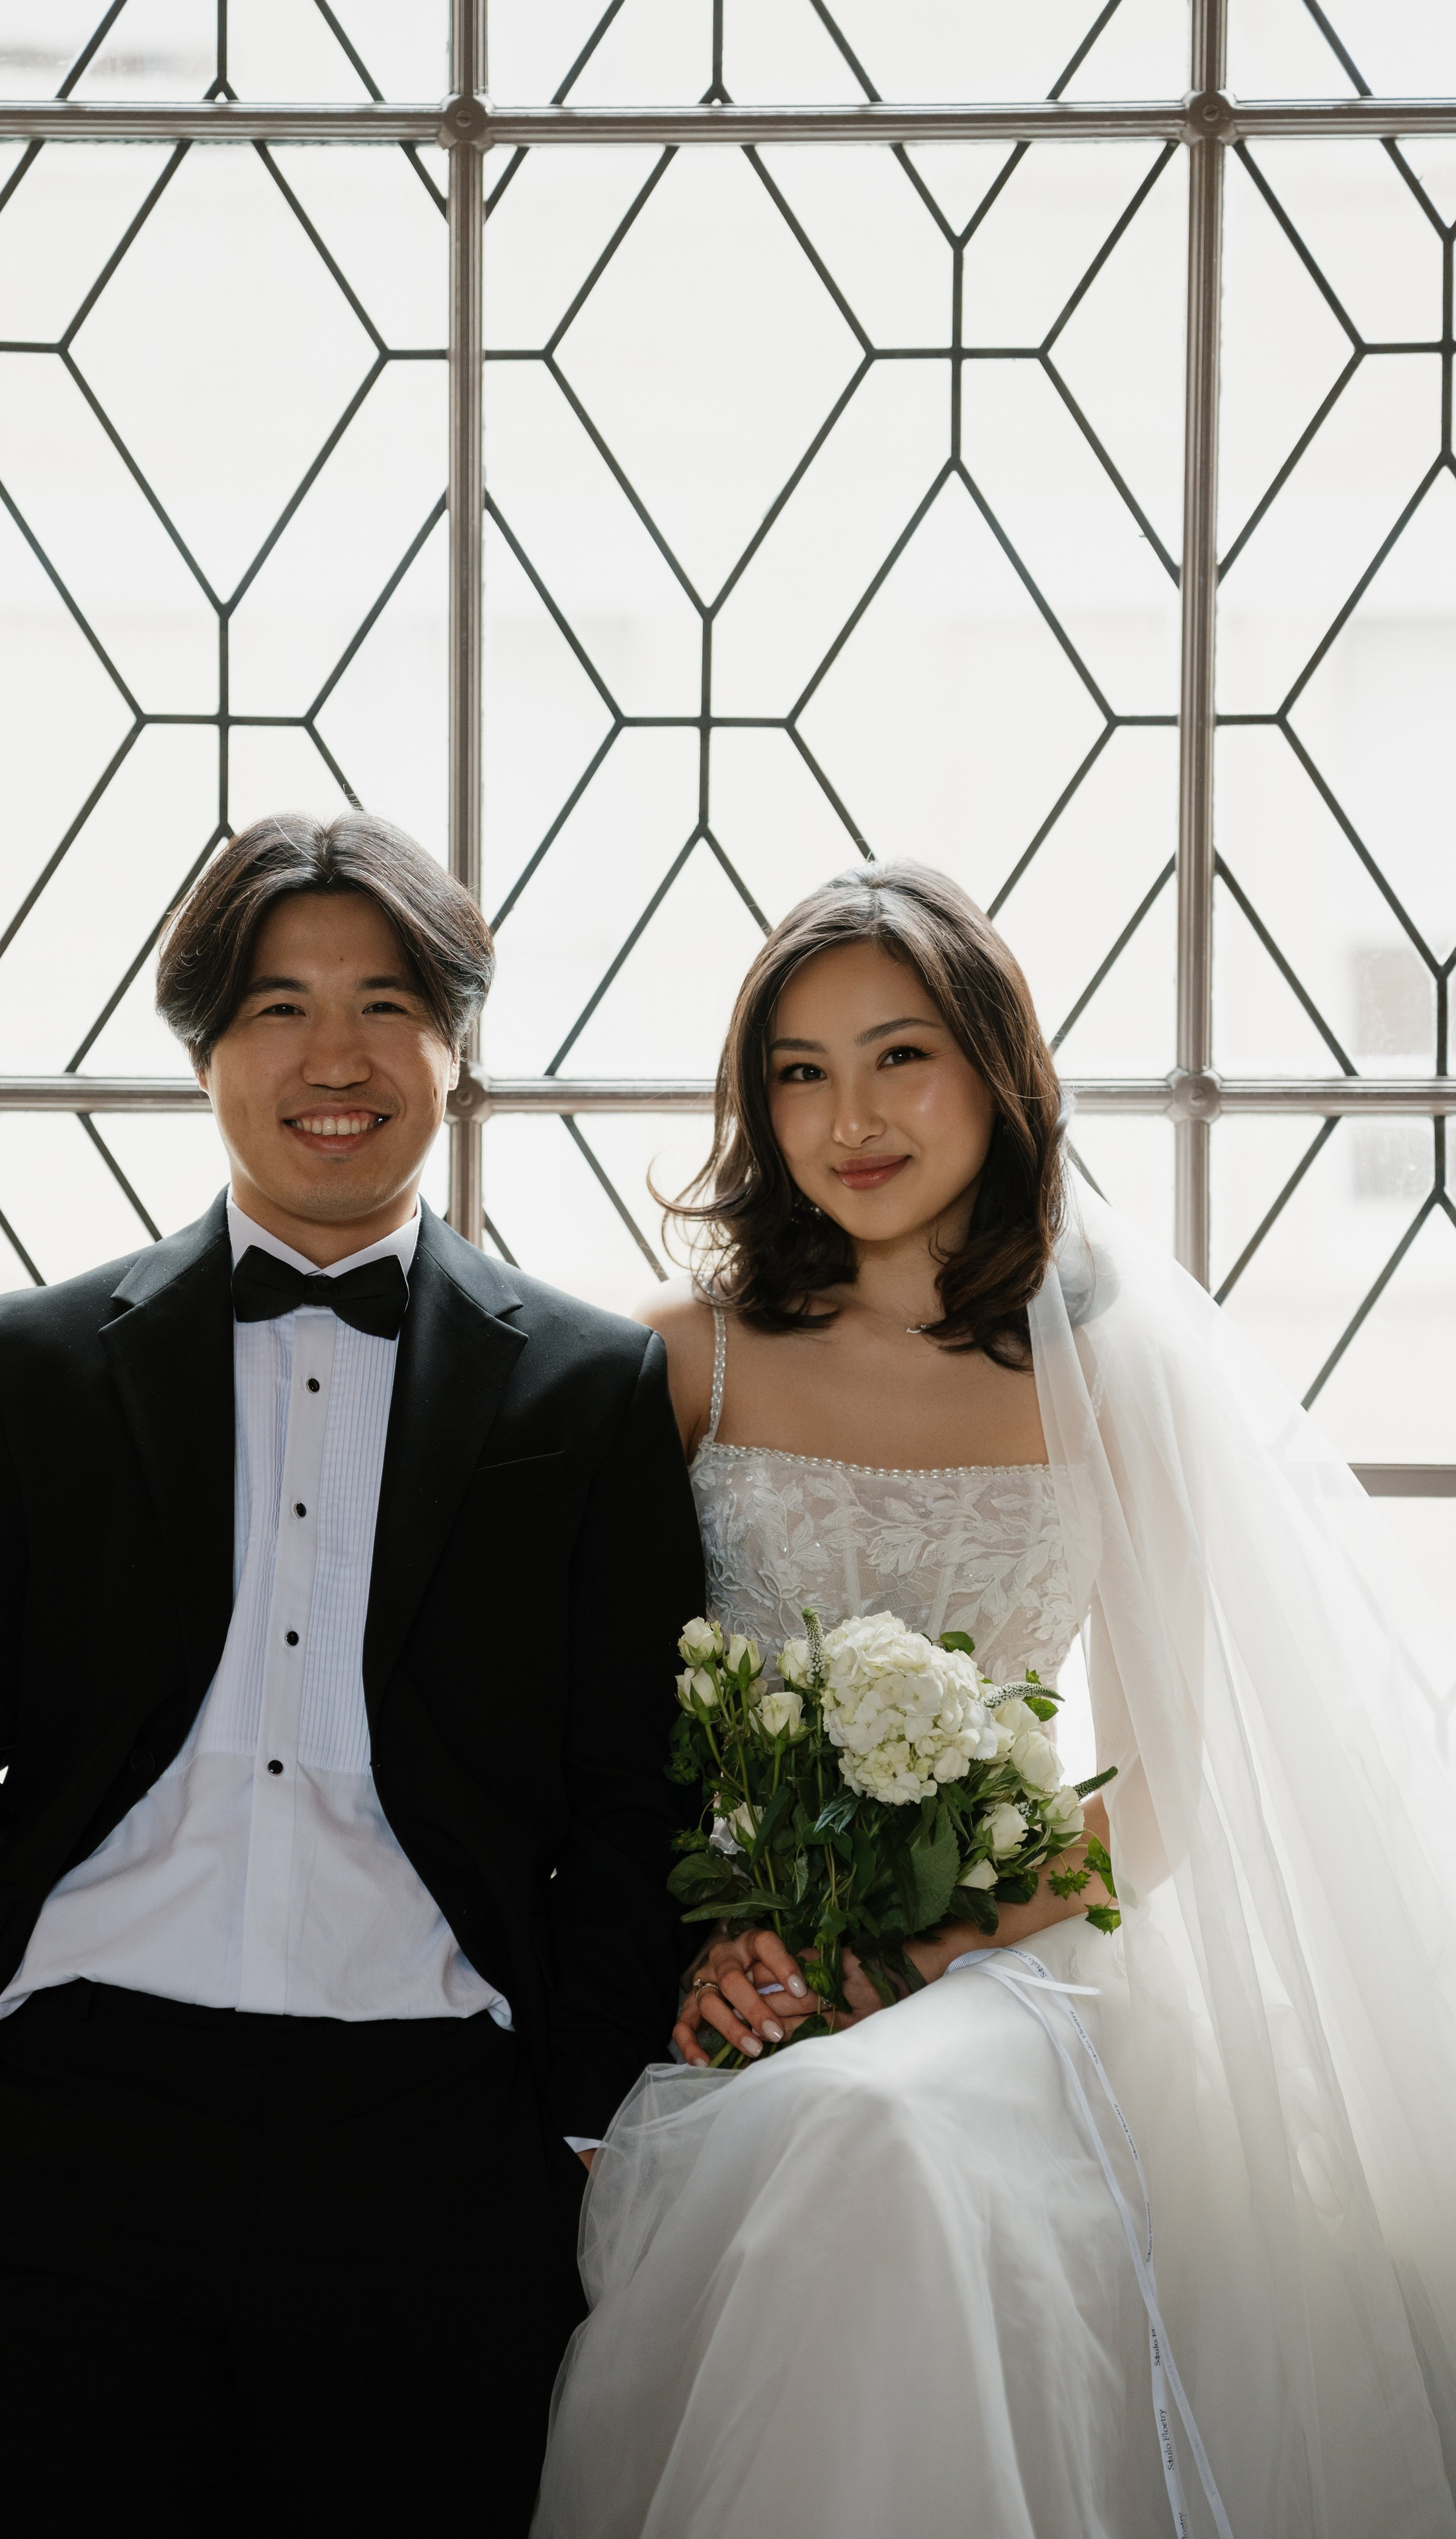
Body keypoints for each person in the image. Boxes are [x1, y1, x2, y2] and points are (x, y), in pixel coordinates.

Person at [0, 811, 704, 2538]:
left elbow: (635, 1791)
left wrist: (575, 2131)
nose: (334, 1058)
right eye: (278, 1007)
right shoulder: (31, 1367)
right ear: (206, 1047)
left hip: (436, 2144)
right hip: (63, 2129)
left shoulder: (586, 1392)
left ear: (453, 1046)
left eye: (386, 1005)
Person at [534, 862, 1456, 2539]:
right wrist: (722, 1944)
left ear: (995, 1069)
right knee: (829, 2122)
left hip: (1015, 1965)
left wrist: (908, 1957)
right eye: (798, 1072)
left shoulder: (1111, 1376)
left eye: (899, 1056)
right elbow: (581, 1726)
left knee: (871, 2124)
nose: (848, 1118)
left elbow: (1162, 1793)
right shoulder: (682, 1358)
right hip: (747, 1967)